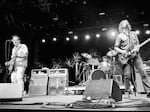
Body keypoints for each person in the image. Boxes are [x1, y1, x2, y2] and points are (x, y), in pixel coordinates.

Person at [114, 19, 150, 97]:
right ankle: (128, 91)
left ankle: (148, 91)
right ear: (121, 27)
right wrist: (123, 52)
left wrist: (136, 50)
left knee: (143, 72)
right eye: (123, 24)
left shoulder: (133, 34)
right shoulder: (119, 36)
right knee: (127, 75)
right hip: (126, 58)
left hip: (136, 56)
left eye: (126, 24)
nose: (125, 25)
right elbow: (116, 48)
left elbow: (137, 44)